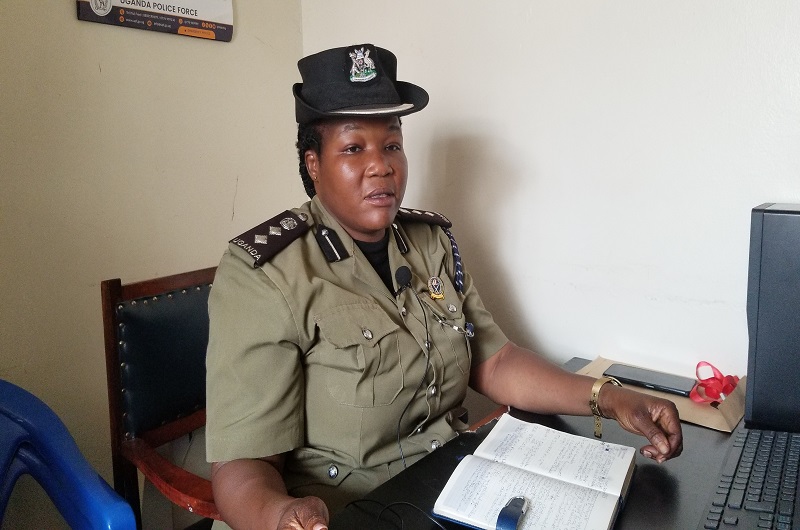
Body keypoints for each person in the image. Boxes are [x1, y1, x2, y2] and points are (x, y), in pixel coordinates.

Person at [205, 44, 683, 530]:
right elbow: (243, 464)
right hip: (351, 512)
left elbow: (495, 362)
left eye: (391, 145)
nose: (381, 165)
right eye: (353, 148)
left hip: (453, 492)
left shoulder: (428, 242)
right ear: (313, 164)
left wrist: (610, 396)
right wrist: (280, 515)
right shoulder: (265, 274)